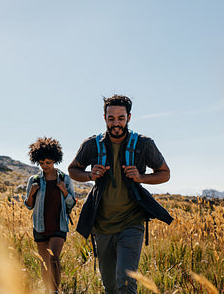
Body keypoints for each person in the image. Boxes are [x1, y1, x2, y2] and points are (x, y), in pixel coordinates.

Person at [68, 94, 173, 294]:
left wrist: (141, 177)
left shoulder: (144, 144)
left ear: (129, 117)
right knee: (110, 286)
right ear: (104, 118)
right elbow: (73, 170)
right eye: (111, 118)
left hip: (131, 223)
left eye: (121, 118)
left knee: (125, 283)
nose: (116, 123)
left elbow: (165, 174)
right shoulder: (92, 145)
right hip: (102, 226)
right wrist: (90, 174)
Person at [24, 137, 76, 294]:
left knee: (54, 259)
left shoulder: (64, 179)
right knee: (44, 262)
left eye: (48, 162)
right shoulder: (34, 180)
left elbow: (71, 203)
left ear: (55, 160)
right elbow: (28, 205)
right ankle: (47, 290)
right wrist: (31, 193)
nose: (44, 166)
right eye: (41, 163)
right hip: (40, 225)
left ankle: (54, 291)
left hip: (59, 224)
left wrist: (64, 191)